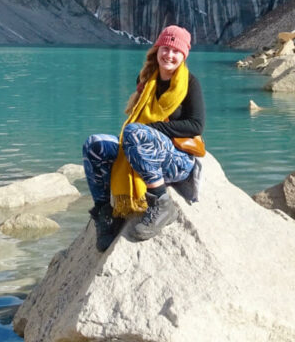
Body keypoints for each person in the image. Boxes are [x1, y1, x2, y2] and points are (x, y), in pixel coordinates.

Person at [82, 25, 205, 251]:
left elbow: (196, 125)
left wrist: (154, 129)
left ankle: (162, 202)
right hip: (140, 148)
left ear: (184, 55)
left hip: (176, 159)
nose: (169, 55)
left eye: (176, 51)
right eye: (165, 48)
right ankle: (107, 212)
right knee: (94, 144)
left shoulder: (190, 83)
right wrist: (145, 131)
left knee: (135, 132)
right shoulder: (146, 79)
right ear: (157, 50)